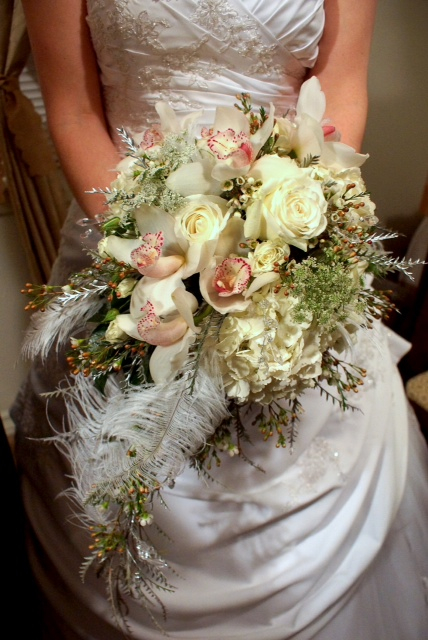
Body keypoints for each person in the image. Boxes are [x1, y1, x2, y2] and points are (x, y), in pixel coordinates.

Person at [12, 1, 428, 639]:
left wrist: (291, 231)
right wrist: (155, 256)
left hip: (287, 238)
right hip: (127, 237)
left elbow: (342, 86)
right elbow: (73, 110)